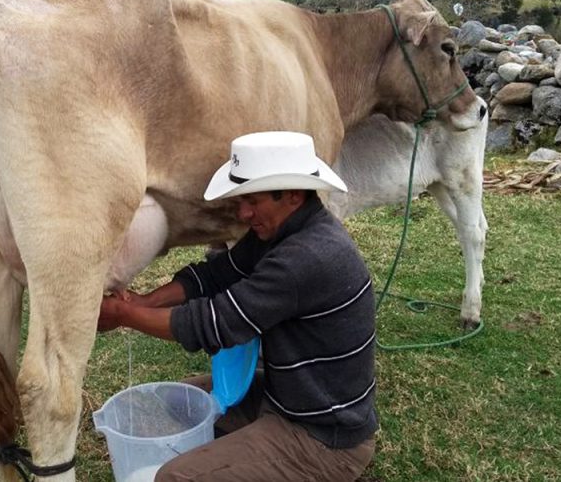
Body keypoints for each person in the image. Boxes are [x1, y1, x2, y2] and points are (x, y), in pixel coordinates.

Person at [98, 131, 377, 482]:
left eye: (253, 201)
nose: (244, 213)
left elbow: (215, 324)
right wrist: (145, 301)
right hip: (285, 395)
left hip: (322, 438)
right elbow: (215, 275)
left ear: (293, 195)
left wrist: (124, 314)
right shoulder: (284, 232)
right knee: (182, 401)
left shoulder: (306, 257)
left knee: (173, 477)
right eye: (242, 200)